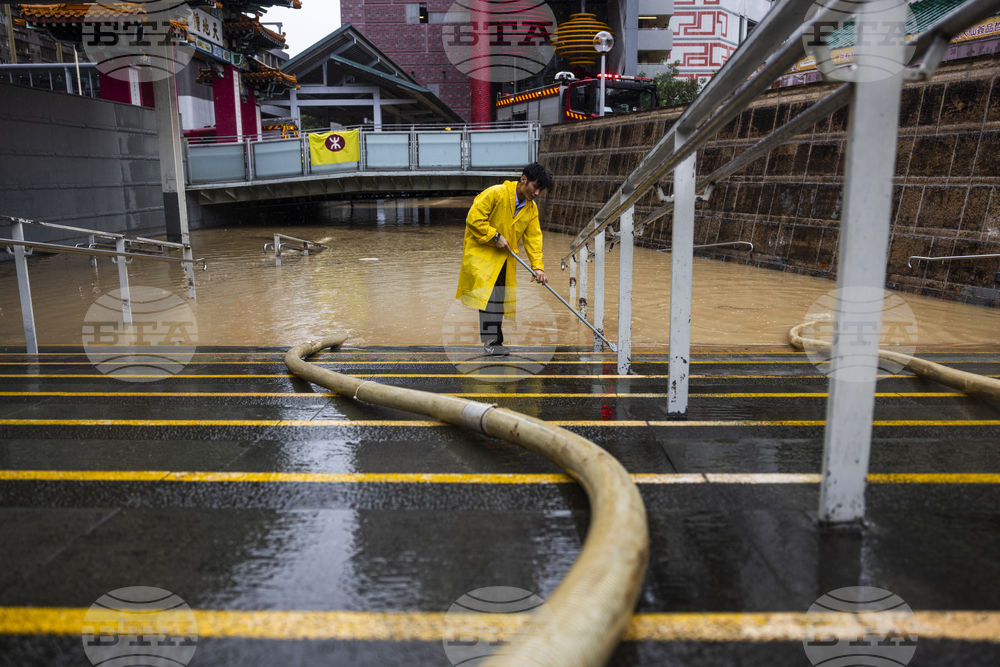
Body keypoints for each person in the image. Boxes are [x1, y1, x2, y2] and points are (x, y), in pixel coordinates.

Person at [455, 163, 552, 356]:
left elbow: (533, 238)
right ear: (524, 179)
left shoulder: (531, 210)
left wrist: (538, 267)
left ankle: (495, 341)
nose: (537, 193)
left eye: (541, 189)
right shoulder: (496, 193)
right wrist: (495, 236)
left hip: (504, 258)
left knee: (498, 297)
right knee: (490, 298)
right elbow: (474, 219)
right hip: (482, 254)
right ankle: (492, 342)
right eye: (536, 186)